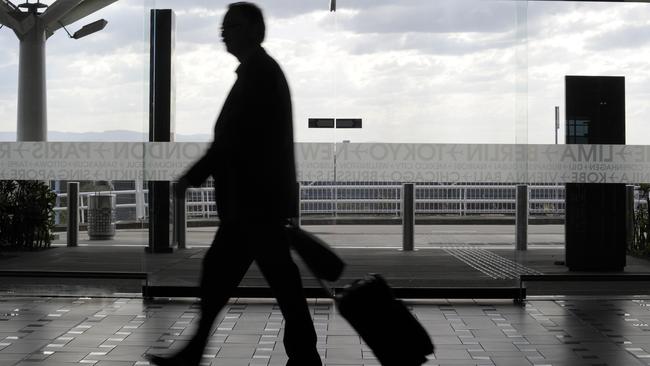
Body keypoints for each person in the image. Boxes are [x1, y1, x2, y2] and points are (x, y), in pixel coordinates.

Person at [146, 2, 321, 366]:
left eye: (233, 26)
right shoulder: (260, 72)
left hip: (253, 203)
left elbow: (231, 141)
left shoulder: (257, 75)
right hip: (258, 202)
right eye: (224, 27)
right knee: (268, 279)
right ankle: (302, 354)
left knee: (235, 277)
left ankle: (298, 354)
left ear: (255, 31)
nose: (225, 33)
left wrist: (191, 177)